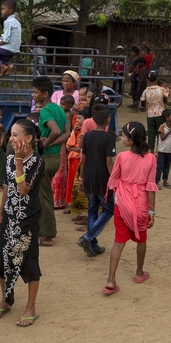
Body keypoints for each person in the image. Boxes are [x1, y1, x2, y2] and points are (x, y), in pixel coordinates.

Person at [0, 119, 45, 326]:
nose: (10, 138)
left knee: (29, 263)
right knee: (2, 261)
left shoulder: (37, 161)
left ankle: (31, 306)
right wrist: (0, 214)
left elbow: (23, 190)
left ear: (28, 139)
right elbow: (8, 186)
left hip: (27, 220)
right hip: (9, 217)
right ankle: (6, 299)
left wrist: (20, 162)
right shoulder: (10, 157)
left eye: (15, 135)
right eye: (11, 134)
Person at [103, 122, 158, 294]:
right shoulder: (151, 159)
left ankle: (111, 280)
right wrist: (152, 211)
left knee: (118, 242)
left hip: (122, 204)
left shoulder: (121, 156)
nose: (121, 138)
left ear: (132, 139)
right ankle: (139, 273)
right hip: (140, 204)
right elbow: (150, 187)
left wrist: (119, 199)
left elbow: (113, 180)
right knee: (141, 239)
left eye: (123, 136)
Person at [32, 76, 69, 246]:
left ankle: (46, 235)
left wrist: (44, 144)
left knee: (44, 196)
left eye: (35, 92)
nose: (33, 95)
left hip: (46, 157)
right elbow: (66, 133)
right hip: (56, 157)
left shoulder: (46, 111)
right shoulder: (59, 109)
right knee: (45, 194)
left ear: (45, 93)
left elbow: (54, 131)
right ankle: (44, 229)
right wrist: (53, 143)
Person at [76, 104, 115, 256]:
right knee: (108, 209)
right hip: (103, 179)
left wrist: (81, 178)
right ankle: (88, 237)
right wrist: (114, 179)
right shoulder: (109, 138)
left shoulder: (88, 136)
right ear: (107, 120)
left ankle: (92, 245)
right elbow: (108, 162)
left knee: (92, 209)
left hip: (89, 178)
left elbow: (83, 159)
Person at [52, 94, 75, 210]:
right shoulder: (62, 114)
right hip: (61, 143)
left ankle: (59, 200)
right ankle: (57, 199)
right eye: (60, 104)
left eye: (63, 104)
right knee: (59, 170)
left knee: (61, 170)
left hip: (64, 143)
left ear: (70, 106)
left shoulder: (70, 114)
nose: (60, 106)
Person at [0, 0, 21, 76]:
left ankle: (2, 66)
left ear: (10, 10)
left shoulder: (8, 22)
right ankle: (9, 65)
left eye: (3, 9)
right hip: (16, 49)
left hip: (9, 48)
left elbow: (6, 39)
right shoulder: (17, 22)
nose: (1, 11)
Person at [140, 71, 168, 152]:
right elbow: (166, 97)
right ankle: (159, 151)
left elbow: (143, 100)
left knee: (151, 134)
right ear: (156, 79)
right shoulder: (162, 90)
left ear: (147, 80)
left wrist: (147, 108)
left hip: (150, 114)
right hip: (160, 113)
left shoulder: (146, 91)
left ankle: (151, 151)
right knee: (160, 133)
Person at [64, 102, 83, 211]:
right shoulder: (75, 131)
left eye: (80, 118)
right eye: (77, 118)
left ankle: (78, 208)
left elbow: (78, 148)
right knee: (71, 181)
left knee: (78, 183)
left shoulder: (85, 132)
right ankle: (72, 205)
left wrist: (73, 148)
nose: (77, 121)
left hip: (79, 159)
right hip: (73, 158)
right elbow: (68, 145)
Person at [156, 109, 171, 188]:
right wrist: (169, 132)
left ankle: (165, 180)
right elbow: (162, 138)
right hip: (162, 150)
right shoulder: (162, 126)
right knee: (160, 166)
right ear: (167, 118)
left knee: (167, 166)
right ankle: (157, 181)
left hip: (170, 150)